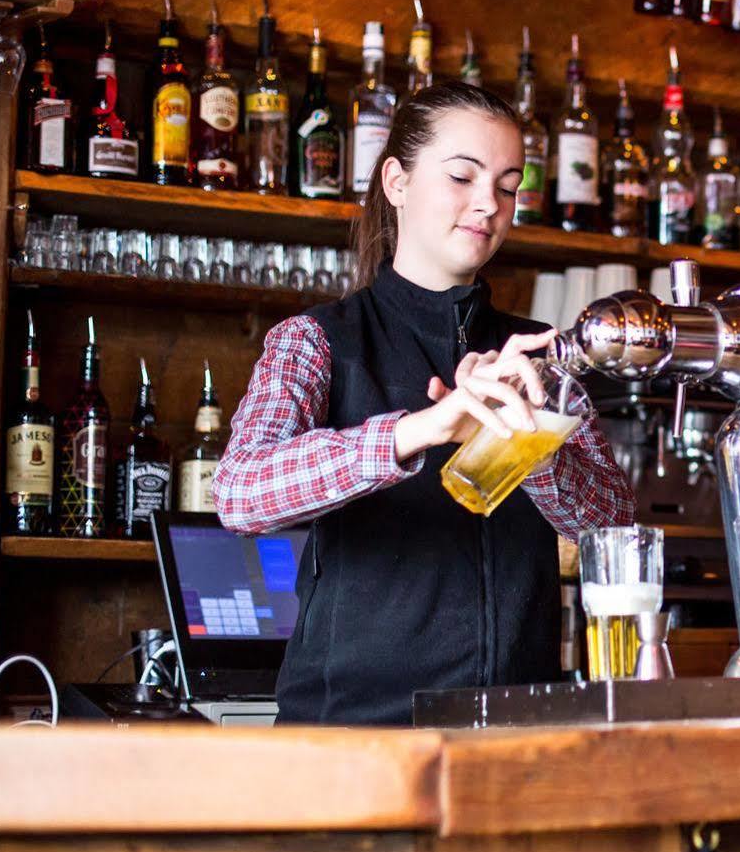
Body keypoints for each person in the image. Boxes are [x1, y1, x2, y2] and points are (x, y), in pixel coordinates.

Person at [215, 81, 635, 725]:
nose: (486, 204)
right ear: (397, 181)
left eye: (506, 184)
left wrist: (532, 443)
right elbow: (240, 493)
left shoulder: (540, 359)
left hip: (515, 737)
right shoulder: (315, 341)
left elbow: (614, 533)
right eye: (462, 176)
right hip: (355, 742)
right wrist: (419, 430)